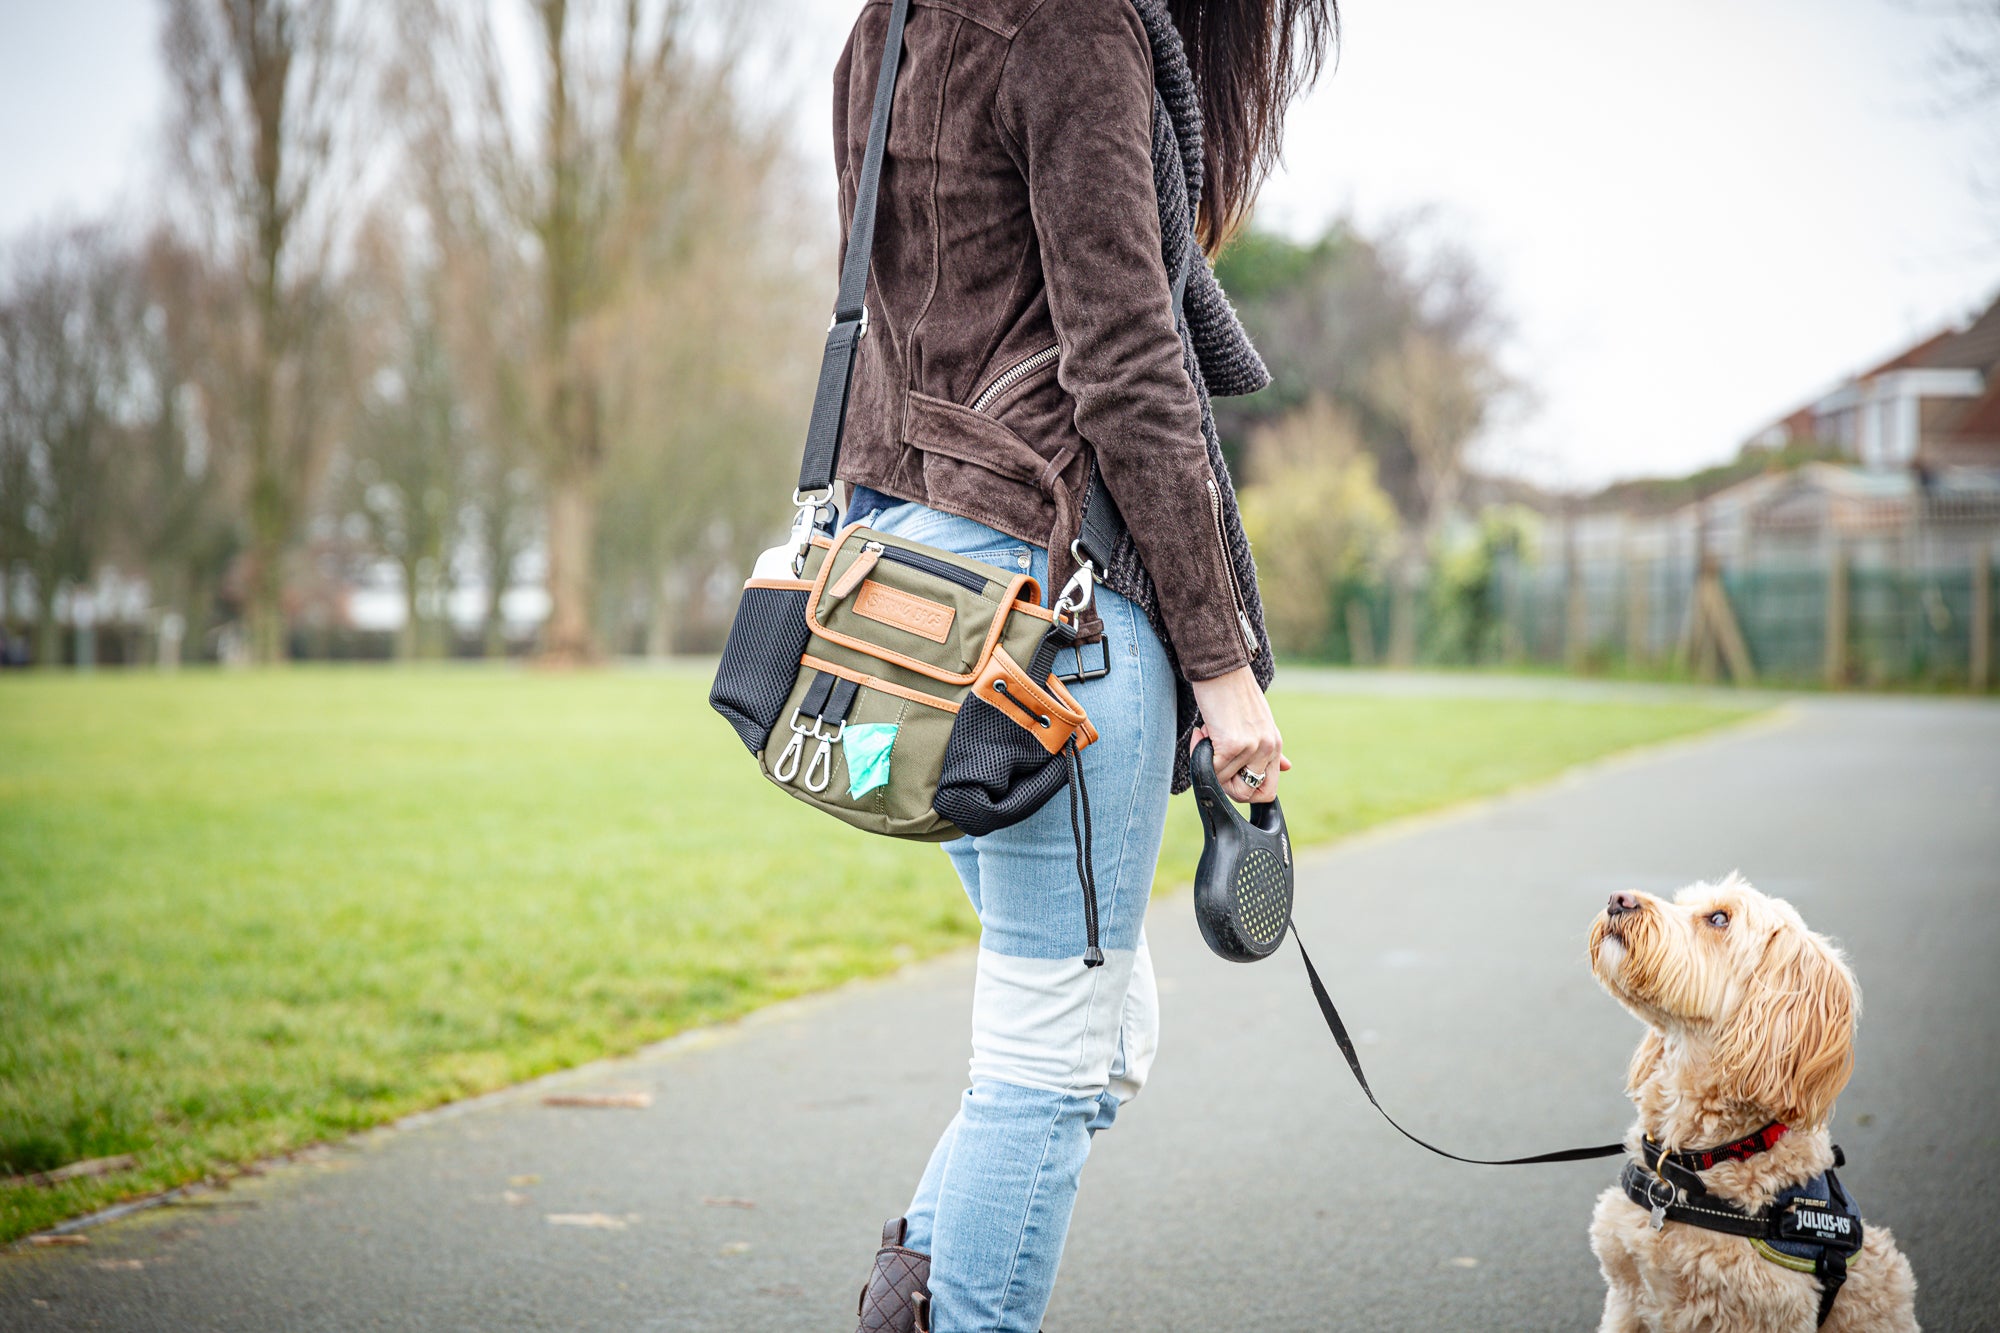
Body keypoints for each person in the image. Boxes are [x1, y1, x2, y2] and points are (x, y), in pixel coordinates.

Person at [834, 1, 1335, 1328]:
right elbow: (1128, 362)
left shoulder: (894, 20)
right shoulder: (1073, 23)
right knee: (1055, 1057)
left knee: (1096, 1040)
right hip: (1047, 613)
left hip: (907, 596)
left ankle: (916, 1298)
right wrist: (1221, 664)